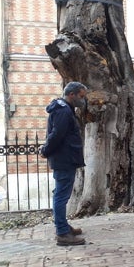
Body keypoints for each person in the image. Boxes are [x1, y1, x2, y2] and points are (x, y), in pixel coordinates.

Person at [40, 81, 88, 246]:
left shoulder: (65, 109)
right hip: (64, 159)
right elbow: (56, 135)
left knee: (62, 195)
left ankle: (64, 226)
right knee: (61, 196)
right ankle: (62, 233)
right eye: (81, 96)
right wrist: (45, 150)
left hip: (66, 158)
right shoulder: (63, 110)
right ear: (71, 94)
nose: (83, 100)